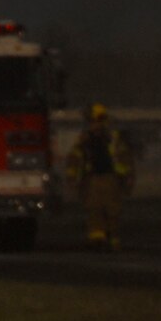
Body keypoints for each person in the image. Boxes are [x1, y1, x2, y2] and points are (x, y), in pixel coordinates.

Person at [64, 103, 134, 251]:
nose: (92, 125)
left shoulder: (113, 139)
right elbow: (74, 159)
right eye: (90, 122)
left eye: (93, 121)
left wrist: (128, 178)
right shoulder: (84, 141)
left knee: (112, 211)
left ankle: (113, 239)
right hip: (92, 180)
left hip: (111, 179)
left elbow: (125, 159)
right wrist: (72, 179)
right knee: (94, 209)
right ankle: (97, 239)